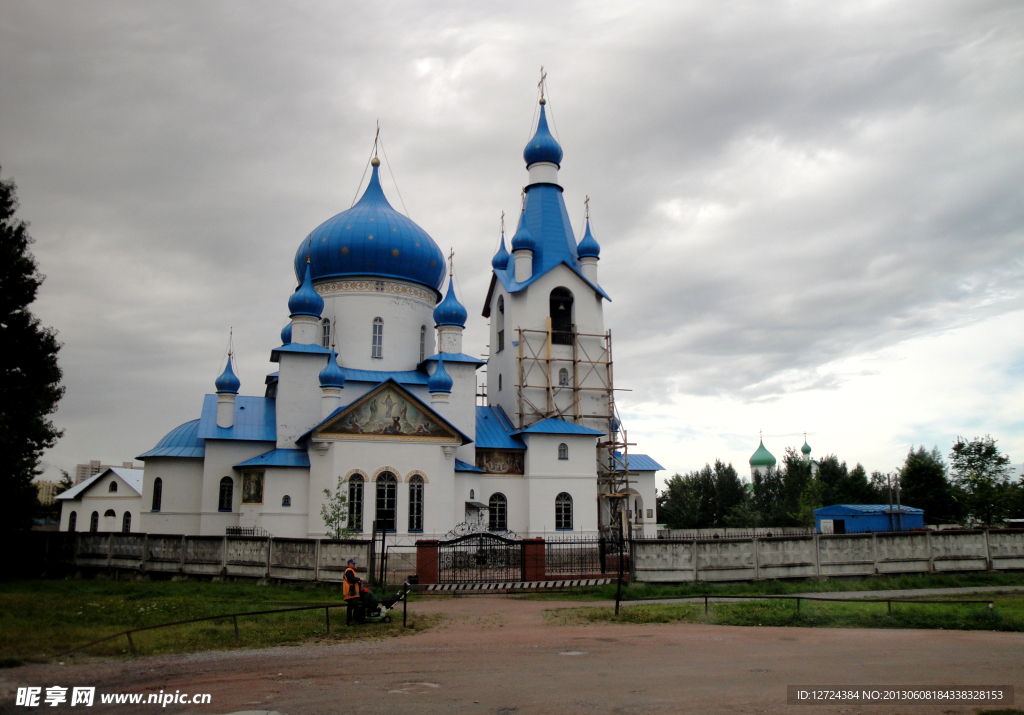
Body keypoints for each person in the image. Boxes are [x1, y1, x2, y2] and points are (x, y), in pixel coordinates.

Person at [343, 558, 362, 624]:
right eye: (353, 564)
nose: (354, 565)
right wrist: (358, 579)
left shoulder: (351, 571)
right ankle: (351, 621)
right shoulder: (348, 571)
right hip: (351, 592)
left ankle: (351, 620)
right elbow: (351, 579)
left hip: (352, 592)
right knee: (354, 606)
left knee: (352, 606)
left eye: (354, 564)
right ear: (349, 564)